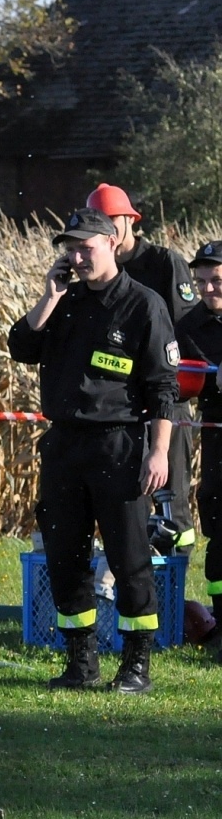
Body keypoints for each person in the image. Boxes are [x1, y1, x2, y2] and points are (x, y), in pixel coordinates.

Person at [8, 207, 179, 694]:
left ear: (111, 243)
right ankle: (81, 662)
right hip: (64, 445)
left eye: (86, 246)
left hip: (119, 445)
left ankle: (135, 665)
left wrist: (159, 452)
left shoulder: (143, 305)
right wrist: (49, 295)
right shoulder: (65, 300)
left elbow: (163, 388)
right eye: (71, 248)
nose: (78, 256)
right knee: (65, 555)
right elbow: (21, 346)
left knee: (129, 560)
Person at [87, 183, 201, 549]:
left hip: (164, 399)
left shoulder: (164, 264)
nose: (106, 228)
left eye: (112, 220)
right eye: (98, 222)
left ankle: (176, 571)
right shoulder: (95, 272)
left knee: (171, 500)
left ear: (130, 221)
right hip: (118, 404)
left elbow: (186, 332)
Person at [175, 240, 222, 659]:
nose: (209, 289)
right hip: (216, 436)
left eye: (217, 280)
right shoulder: (189, 326)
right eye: (203, 281)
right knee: (220, 533)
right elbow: (176, 378)